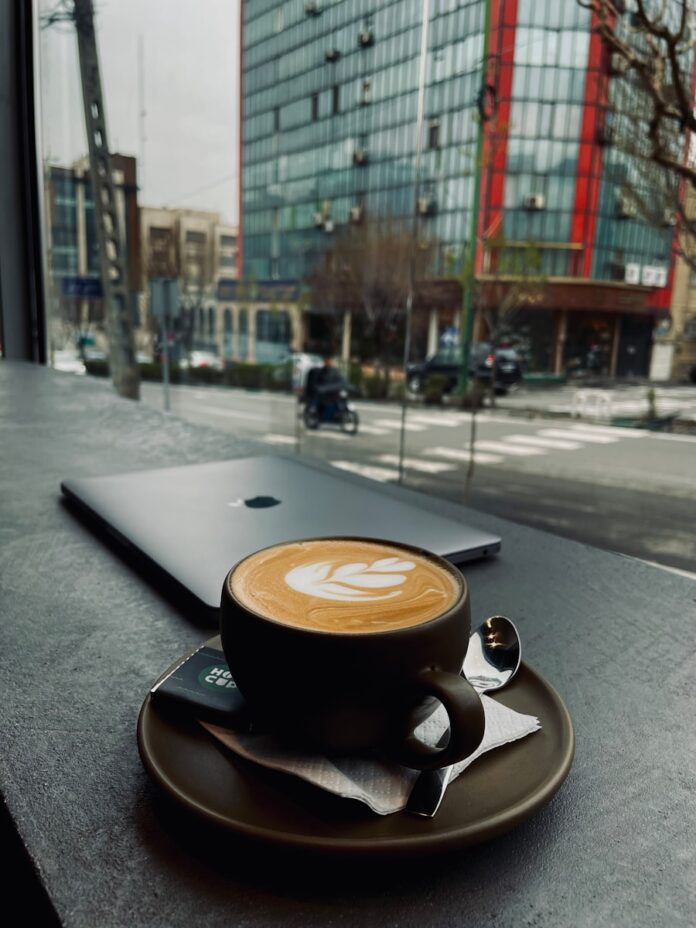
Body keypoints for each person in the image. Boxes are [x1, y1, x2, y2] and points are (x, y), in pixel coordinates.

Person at [304, 356, 344, 422]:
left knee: (338, 399)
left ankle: (336, 415)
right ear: (325, 362)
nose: (330, 362)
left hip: (330, 391)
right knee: (318, 400)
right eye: (328, 361)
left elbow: (339, 379)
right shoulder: (320, 370)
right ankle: (316, 414)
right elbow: (319, 381)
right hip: (320, 391)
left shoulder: (334, 370)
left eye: (330, 361)